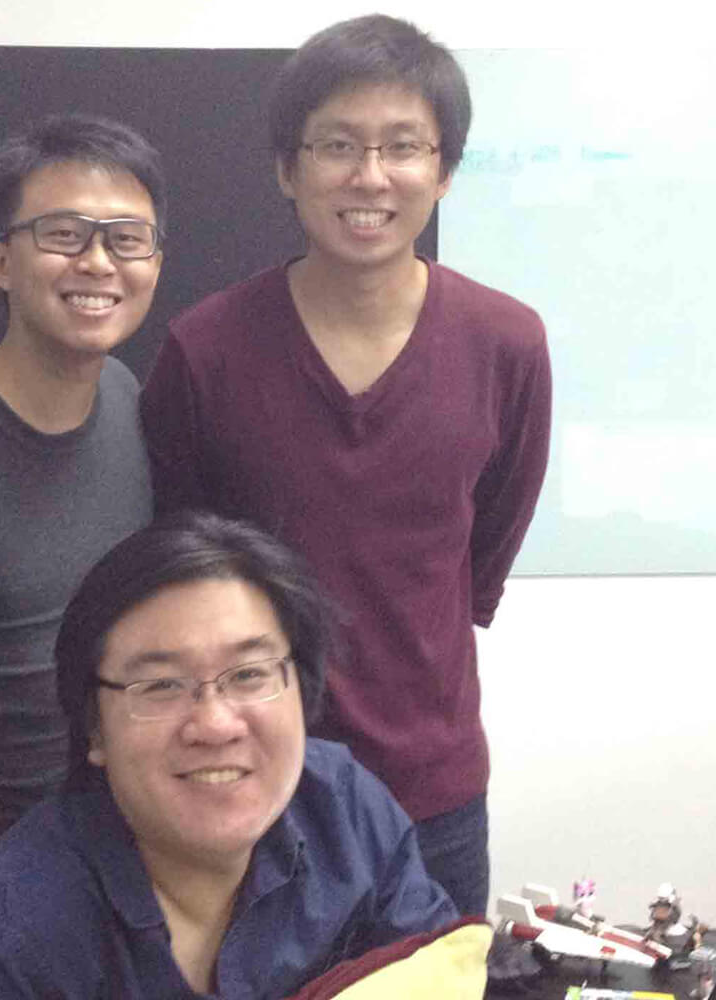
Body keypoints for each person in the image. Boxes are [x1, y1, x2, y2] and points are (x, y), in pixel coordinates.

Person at [139, 15, 552, 916]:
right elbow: (175, 563)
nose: (371, 176)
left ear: (443, 171)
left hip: (434, 793)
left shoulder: (506, 344)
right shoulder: (204, 350)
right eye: (338, 145)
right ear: (289, 169)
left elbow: (485, 547)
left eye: (403, 146)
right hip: (249, 786)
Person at [0, 511, 459, 998]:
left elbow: (437, 978)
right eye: (160, 686)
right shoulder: (2, 941)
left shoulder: (346, 809)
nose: (216, 724)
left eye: (249, 675)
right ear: (94, 732)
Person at [0, 113, 161, 831]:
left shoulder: (128, 395)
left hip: (126, 820)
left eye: (127, 239)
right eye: (63, 234)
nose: (98, 262)